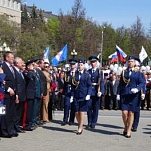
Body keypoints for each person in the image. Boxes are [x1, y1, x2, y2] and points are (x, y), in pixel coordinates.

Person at [117, 55, 144, 138]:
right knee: (124, 113)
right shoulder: (124, 72)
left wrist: (137, 89)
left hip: (133, 95)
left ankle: (128, 130)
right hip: (125, 94)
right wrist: (118, 93)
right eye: (129, 61)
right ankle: (126, 126)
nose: (130, 63)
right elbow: (121, 84)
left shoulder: (138, 73)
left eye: (131, 61)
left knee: (131, 113)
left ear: (135, 63)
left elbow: (142, 82)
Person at [0, 51, 18, 138]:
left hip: (12, 94)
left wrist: (16, 92)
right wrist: (8, 88)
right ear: (7, 58)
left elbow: (14, 81)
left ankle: (10, 129)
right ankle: (3, 130)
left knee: (11, 113)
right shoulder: (2, 66)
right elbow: (2, 81)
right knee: (4, 113)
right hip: (5, 94)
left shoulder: (12, 68)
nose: (13, 59)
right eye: (11, 57)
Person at [72, 58, 92, 135]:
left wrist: (88, 94)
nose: (80, 66)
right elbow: (73, 85)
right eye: (79, 65)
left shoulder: (87, 75)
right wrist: (72, 95)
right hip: (76, 95)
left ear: (84, 66)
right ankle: (80, 123)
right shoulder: (75, 74)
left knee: (81, 112)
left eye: (81, 65)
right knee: (76, 112)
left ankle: (80, 127)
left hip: (83, 95)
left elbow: (89, 86)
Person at [87, 56, 104, 129]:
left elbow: (102, 82)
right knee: (88, 107)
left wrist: (101, 91)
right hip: (90, 91)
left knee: (95, 108)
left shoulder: (99, 72)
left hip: (97, 90)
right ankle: (89, 121)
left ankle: (93, 122)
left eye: (94, 62)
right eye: (91, 62)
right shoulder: (88, 72)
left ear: (96, 63)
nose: (93, 64)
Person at [61, 59, 77, 126]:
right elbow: (65, 83)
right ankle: (65, 120)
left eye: (73, 64)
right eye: (71, 64)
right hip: (68, 91)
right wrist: (63, 92)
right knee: (66, 105)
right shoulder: (67, 73)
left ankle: (71, 120)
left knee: (73, 106)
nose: (72, 66)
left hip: (74, 91)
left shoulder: (77, 73)